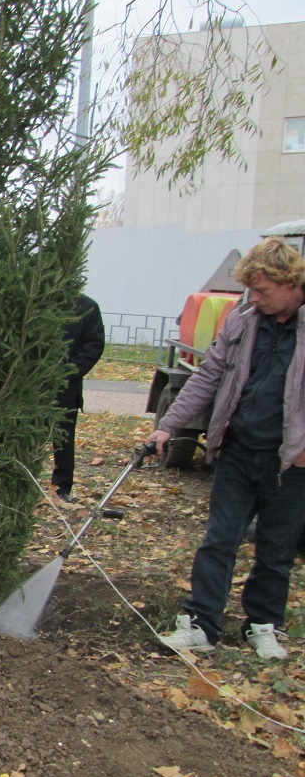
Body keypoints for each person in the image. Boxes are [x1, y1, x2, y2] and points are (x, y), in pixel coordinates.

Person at [152, 237, 305, 661]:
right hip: (239, 451)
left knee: (276, 551)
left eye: (261, 290)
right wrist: (169, 426)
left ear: (290, 282)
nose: (252, 299)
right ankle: (201, 624)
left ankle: (262, 626)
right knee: (219, 540)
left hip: (291, 462)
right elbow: (208, 376)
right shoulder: (243, 321)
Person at [52, 295, 105, 503]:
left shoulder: (86, 307)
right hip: (31, 385)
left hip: (67, 387)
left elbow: (94, 344)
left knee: (63, 439)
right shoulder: (36, 298)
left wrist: (68, 371)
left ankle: (62, 487)